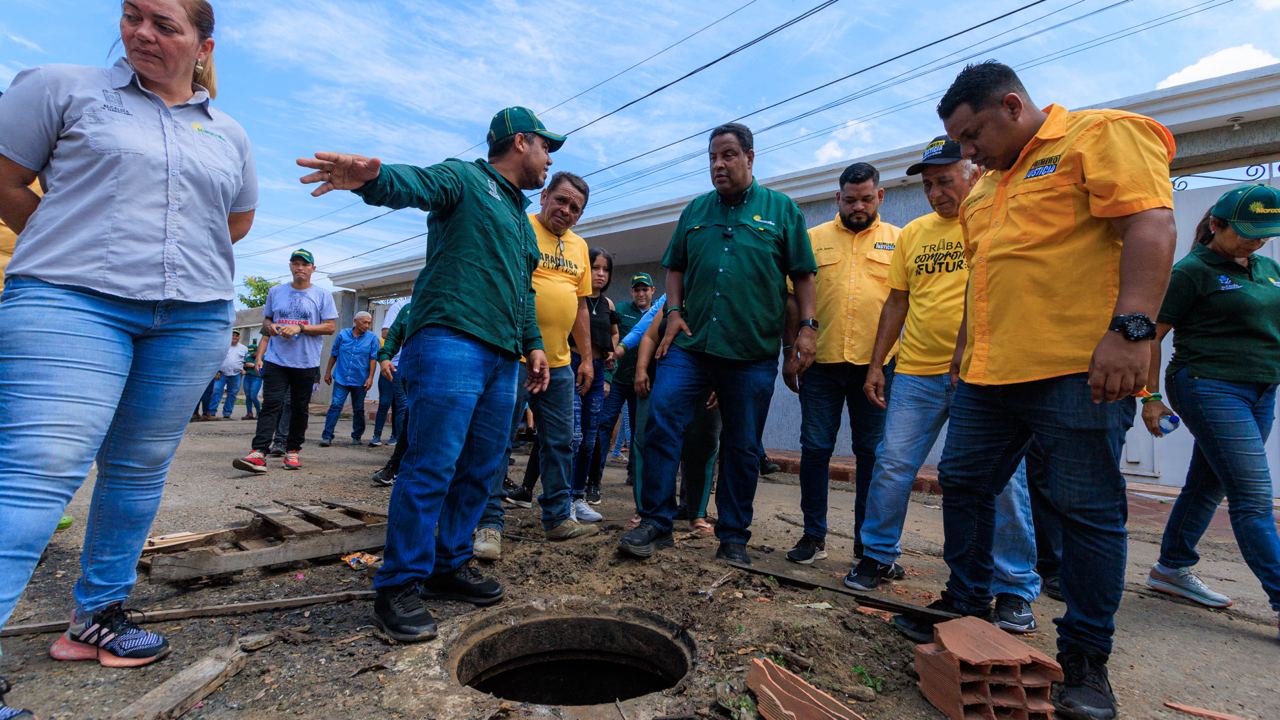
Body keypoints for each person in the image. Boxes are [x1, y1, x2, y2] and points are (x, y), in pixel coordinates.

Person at [892, 62, 1176, 720]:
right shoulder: (986, 188)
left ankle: (1085, 658)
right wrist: (964, 351)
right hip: (989, 376)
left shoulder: (1099, 135)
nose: (969, 153)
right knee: (964, 482)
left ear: (1013, 106)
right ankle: (966, 601)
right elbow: (985, 276)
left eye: (973, 135)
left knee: (1086, 511)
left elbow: (1151, 225)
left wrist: (1132, 332)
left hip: (1076, 371)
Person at [0, 2, 257, 716]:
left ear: (203, 46)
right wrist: (69, 236)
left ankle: (98, 616)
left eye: (165, 25)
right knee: (39, 469)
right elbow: (6, 178)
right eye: (133, 16)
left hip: (191, 316)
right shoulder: (61, 87)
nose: (143, 33)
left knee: (140, 469)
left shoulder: (228, 131)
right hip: (71, 299)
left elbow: (235, 220)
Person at [296, 106, 561, 643]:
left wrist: (533, 344)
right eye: (545, 147)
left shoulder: (521, 219)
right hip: (451, 342)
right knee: (432, 465)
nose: (549, 159)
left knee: (482, 468)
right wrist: (371, 180)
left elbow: (522, 293)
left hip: (504, 357)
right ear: (520, 141)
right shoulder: (465, 179)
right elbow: (417, 183)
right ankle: (398, 585)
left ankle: (448, 563)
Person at [849, 137, 1041, 635]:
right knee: (892, 464)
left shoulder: (996, 219)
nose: (936, 193)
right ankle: (878, 555)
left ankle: (1014, 587)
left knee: (1003, 483)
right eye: (928, 185)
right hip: (916, 371)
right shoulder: (914, 234)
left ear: (973, 172)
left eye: (945, 181)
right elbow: (896, 302)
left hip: (984, 373)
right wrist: (877, 364)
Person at [619, 122, 818, 564]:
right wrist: (674, 311)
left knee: (742, 445)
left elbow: (803, 275)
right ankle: (656, 521)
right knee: (661, 423)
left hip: (750, 352)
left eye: (728, 155)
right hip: (692, 346)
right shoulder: (695, 210)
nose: (718, 165)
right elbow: (675, 267)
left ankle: (733, 537)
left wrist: (807, 328)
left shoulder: (782, 210)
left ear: (750, 156)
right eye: (712, 157)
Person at [1139, 184, 1280, 634]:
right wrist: (1150, 397)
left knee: (1208, 483)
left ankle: (1171, 568)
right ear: (1216, 225)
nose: (1257, 241)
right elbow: (1152, 336)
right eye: (1247, 233)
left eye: (1265, 234)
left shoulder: (1267, 269)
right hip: (1208, 385)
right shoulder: (1191, 272)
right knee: (1253, 498)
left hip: (1261, 389)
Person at [474, 171, 600, 561]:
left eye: (575, 207)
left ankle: (558, 518)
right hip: (513, 357)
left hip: (560, 363)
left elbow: (580, 305)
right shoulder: (520, 227)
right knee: (499, 440)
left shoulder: (579, 246)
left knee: (560, 441)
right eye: (561, 200)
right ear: (544, 196)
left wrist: (587, 357)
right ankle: (489, 523)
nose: (566, 210)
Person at [782, 161, 900, 565]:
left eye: (866, 198)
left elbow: (906, 302)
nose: (858, 206)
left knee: (871, 454)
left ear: (880, 196)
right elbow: (792, 299)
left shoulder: (900, 240)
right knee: (815, 449)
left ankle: (867, 545)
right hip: (820, 365)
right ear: (838, 198)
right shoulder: (812, 240)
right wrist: (789, 350)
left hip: (877, 367)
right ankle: (813, 536)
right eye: (850, 199)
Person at [232, 249, 337, 472]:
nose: (300, 268)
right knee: (271, 404)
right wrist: (271, 326)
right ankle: (259, 452)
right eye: (296, 263)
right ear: (290, 266)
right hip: (276, 360)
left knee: (299, 408)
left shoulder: (322, 295)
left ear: (313, 269)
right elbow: (267, 321)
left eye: (305, 264)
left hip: (306, 362)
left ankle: (293, 451)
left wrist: (300, 327)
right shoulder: (276, 292)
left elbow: (330, 327)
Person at [632, 298, 720, 536]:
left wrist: (722, 383)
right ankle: (646, 511)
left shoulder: (720, 300)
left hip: (708, 384)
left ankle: (697, 514)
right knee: (649, 442)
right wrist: (641, 369)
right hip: (659, 382)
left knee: (703, 447)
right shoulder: (672, 301)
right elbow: (649, 337)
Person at [569, 247, 618, 516]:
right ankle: (563, 499)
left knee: (589, 439)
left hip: (598, 370)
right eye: (595, 268)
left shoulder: (608, 305)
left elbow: (613, 332)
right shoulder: (576, 297)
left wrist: (611, 350)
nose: (600, 274)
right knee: (573, 437)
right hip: (573, 365)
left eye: (606, 269)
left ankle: (579, 497)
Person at [597, 272, 657, 487]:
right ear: (632, 291)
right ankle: (594, 477)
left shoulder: (658, 313)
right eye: (637, 289)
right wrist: (606, 377)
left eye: (645, 289)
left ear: (652, 291)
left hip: (642, 382)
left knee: (638, 429)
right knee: (605, 424)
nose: (641, 293)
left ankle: (635, 475)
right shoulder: (621, 310)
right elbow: (610, 340)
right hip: (617, 379)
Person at [319, 310, 379, 446]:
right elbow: (334, 354)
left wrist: (370, 378)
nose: (367, 325)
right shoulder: (342, 335)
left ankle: (357, 436)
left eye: (369, 323)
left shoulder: (372, 339)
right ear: (355, 321)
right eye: (364, 322)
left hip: (360, 380)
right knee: (335, 405)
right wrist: (327, 372)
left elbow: (373, 359)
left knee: (358, 409)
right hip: (341, 378)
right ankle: (327, 436)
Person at [372, 300, 413, 487]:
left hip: (449, 373)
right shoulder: (407, 308)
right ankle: (394, 467)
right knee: (409, 414)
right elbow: (392, 335)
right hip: (411, 371)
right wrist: (385, 356)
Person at [371, 298, 409, 446]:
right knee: (385, 402)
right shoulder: (402, 306)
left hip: (409, 365)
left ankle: (396, 438)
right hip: (392, 364)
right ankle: (376, 436)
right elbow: (386, 333)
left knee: (401, 405)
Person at [209, 330, 248, 419]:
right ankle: (211, 412)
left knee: (232, 394)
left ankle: (227, 413)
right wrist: (216, 371)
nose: (234, 337)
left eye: (236, 336)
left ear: (239, 337)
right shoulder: (223, 346)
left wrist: (244, 369)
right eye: (232, 335)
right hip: (221, 373)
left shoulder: (244, 348)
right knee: (216, 391)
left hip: (236, 374)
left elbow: (246, 361)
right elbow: (216, 359)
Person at [241, 337, 262, 420]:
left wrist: (253, 365)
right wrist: (244, 367)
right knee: (248, 395)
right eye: (250, 352)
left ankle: (259, 412)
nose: (252, 354)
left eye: (254, 352)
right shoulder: (248, 357)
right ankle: (249, 413)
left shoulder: (262, 357)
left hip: (257, 378)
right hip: (247, 377)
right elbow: (242, 365)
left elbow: (262, 370)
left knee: (253, 396)